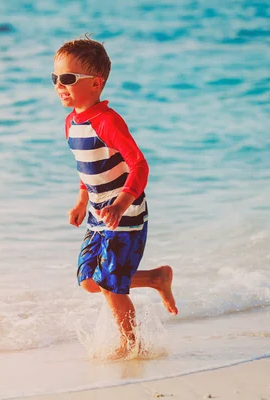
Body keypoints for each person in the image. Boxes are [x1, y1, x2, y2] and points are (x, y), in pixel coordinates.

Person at [53, 35, 178, 358]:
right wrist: (82, 200)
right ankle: (155, 277)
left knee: (109, 285)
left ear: (95, 84)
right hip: (98, 213)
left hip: (126, 213)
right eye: (55, 78)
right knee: (88, 280)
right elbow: (87, 168)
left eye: (68, 79)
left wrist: (122, 202)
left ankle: (130, 345)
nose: (59, 85)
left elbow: (139, 164)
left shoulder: (107, 121)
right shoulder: (71, 122)